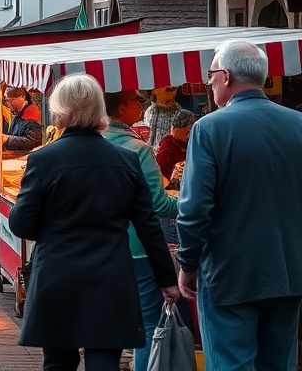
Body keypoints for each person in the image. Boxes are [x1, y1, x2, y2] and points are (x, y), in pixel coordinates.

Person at [9, 74, 178, 371]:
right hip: (110, 273)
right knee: (104, 359)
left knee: (58, 362)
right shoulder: (126, 159)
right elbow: (148, 225)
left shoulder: (44, 160)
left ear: (59, 110)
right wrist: (167, 279)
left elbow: (22, 225)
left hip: (57, 272)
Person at [178, 41, 302, 370]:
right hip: (289, 271)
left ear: (226, 76)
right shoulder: (298, 124)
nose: (209, 83)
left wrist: (188, 264)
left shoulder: (210, 128)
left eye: (211, 75)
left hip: (230, 272)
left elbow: (194, 210)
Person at [101, 89, 179, 371]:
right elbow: (157, 202)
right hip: (136, 248)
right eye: (136, 100)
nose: (141, 104)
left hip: (99, 249)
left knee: (107, 324)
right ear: (122, 107)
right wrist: (189, 201)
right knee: (147, 323)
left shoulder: (92, 142)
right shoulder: (137, 149)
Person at [1, 87, 43, 158]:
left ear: (21, 97)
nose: (8, 104)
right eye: (7, 100)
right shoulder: (19, 113)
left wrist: (7, 139)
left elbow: (32, 141)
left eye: (9, 100)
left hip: (28, 157)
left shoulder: (31, 112)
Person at [155, 108, 194, 182]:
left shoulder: (194, 143)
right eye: (188, 131)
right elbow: (160, 173)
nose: (189, 135)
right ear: (175, 129)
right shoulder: (166, 147)